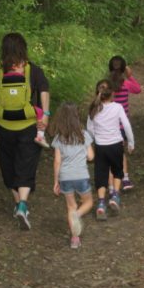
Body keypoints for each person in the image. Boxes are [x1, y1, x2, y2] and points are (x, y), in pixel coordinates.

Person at [0, 33, 50, 230]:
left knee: (8, 166)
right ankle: (22, 204)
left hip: (3, 126)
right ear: (23, 48)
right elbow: (44, 91)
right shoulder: (32, 70)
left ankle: (19, 204)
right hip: (29, 126)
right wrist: (44, 116)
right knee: (26, 165)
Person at [50, 103, 95, 249]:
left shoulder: (58, 138)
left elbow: (57, 161)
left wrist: (56, 181)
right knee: (87, 202)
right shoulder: (84, 135)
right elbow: (90, 156)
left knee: (71, 207)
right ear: (76, 117)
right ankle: (78, 215)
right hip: (81, 175)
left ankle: (75, 239)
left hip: (65, 177)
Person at [86, 80, 134, 220]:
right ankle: (114, 196)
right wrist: (131, 142)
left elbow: (89, 129)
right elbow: (126, 125)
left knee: (101, 173)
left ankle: (101, 204)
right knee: (117, 171)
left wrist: (97, 137)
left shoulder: (93, 108)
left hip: (101, 146)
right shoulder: (118, 107)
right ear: (112, 94)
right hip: (116, 145)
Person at [106, 56, 142, 191]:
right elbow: (138, 89)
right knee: (120, 153)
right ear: (124, 68)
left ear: (110, 67)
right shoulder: (126, 83)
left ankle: (111, 185)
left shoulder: (106, 85)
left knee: (109, 153)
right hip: (121, 125)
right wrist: (130, 76)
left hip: (108, 125)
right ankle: (125, 179)